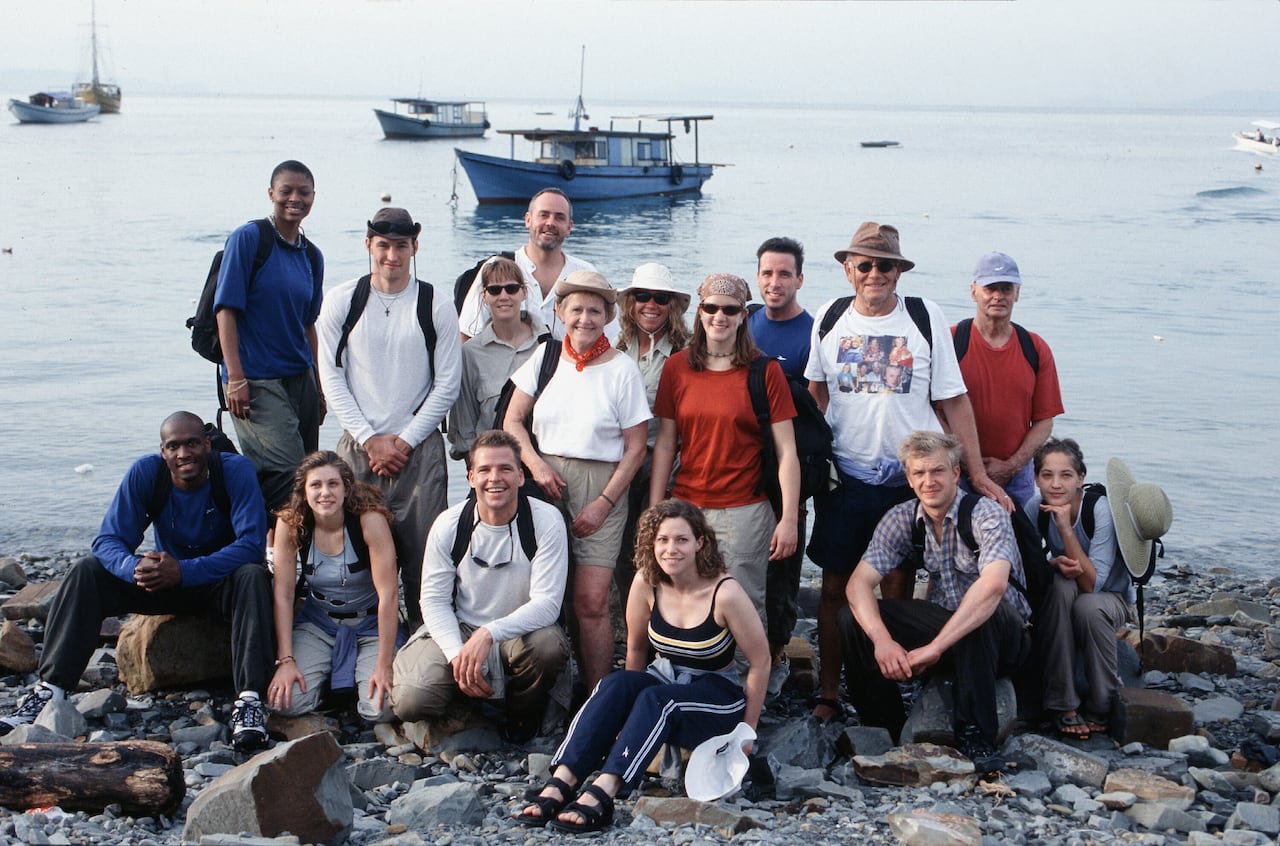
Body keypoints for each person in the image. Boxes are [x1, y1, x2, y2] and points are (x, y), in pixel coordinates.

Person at [803, 221, 1012, 723]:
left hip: (907, 481)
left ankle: (894, 684)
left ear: (900, 271)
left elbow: (953, 399)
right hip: (847, 478)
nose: (876, 273)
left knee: (897, 584)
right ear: (848, 269)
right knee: (835, 587)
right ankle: (830, 694)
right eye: (866, 264)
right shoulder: (831, 317)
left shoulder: (924, 316)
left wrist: (977, 473)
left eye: (886, 265)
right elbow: (816, 393)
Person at [0, 413, 274, 751]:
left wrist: (186, 571)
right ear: (163, 451)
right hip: (164, 584)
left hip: (218, 583)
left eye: (191, 443)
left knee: (252, 575)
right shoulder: (147, 473)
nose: (183, 453)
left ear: (206, 444)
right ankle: (51, 690)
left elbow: (251, 545)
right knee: (87, 571)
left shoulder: (234, 471)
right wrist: (135, 567)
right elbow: (107, 542)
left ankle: (249, 701)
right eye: (173, 446)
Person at [515, 499, 769, 833]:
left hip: (716, 697)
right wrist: (627, 717)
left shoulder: (725, 593)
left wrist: (746, 734)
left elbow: (761, 661)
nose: (671, 549)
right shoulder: (647, 582)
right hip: (665, 683)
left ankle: (604, 791)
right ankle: (562, 779)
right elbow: (636, 651)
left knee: (658, 700)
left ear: (700, 543)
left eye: (681, 540)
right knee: (615, 683)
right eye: (662, 540)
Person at [839, 431, 1031, 774]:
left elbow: (993, 586)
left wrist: (935, 648)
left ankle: (976, 736)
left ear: (956, 473)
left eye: (938, 471)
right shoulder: (900, 518)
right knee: (851, 618)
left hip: (1004, 637)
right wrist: (883, 641)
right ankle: (884, 724)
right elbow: (858, 585)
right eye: (919, 473)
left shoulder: (986, 515)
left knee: (979, 610)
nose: (929, 481)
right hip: (947, 625)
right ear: (909, 479)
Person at [503, 270, 650, 691]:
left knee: (590, 601)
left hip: (601, 482)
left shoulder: (622, 370)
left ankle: (596, 694)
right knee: (542, 590)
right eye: (576, 309)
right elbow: (514, 421)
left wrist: (604, 502)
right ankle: (544, 684)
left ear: (607, 316)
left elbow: (636, 448)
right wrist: (534, 464)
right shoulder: (546, 357)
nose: (585, 318)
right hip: (544, 477)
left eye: (594, 310)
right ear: (560, 311)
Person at [317, 207, 461, 629]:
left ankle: (426, 643)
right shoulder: (344, 300)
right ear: (368, 246)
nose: (392, 256)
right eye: (383, 246)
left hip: (419, 451)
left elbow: (448, 383)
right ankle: (352, 643)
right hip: (359, 450)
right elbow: (330, 374)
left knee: (426, 562)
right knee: (354, 558)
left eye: (401, 246)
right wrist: (368, 437)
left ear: (415, 247)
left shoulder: (435, 303)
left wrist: (404, 440)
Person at [651, 273, 800, 645]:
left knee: (746, 601)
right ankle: (690, 676)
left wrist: (790, 520)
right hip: (686, 504)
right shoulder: (677, 368)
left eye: (730, 309)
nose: (720, 316)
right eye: (711, 307)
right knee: (683, 596)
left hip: (745, 510)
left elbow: (788, 453)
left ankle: (751, 690)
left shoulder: (765, 372)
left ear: (742, 316)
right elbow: (667, 444)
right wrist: (655, 509)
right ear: (699, 312)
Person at [391, 430, 569, 741]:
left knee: (548, 647)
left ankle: (520, 718)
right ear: (471, 477)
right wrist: (456, 655)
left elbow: (548, 604)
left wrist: (489, 633)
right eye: (484, 470)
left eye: (505, 469)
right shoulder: (449, 524)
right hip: (462, 627)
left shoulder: (546, 521)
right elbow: (433, 601)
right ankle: (466, 710)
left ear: (520, 477)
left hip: (520, 633)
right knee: (410, 700)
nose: (494, 478)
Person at [215, 160, 325, 518]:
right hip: (257, 379)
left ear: (313, 197)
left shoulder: (311, 255)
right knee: (289, 477)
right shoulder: (249, 239)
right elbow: (226, 311)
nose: (295, 199)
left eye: (303, 192)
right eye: (286, 191)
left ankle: (307, 558)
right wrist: (235, 378)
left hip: (301, 377)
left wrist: (319, 389)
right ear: (271, 194)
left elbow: (309, 325)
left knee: (312, 473)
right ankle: (271, 553)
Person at [267, 452, 400, 721]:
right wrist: (286, 661)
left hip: (370, 623)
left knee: (379, 710)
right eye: (315, 485)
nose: (324, 493)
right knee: (285, 703)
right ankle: (329, 679)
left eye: (333, 484)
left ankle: (354, 676)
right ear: (304, 491)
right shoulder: (291, 523)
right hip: (319, 623)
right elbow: (283, 594)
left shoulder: (369, 521)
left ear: (346, 489)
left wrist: (385, 664)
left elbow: (389, 595)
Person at [1026, 437, 1134, 739]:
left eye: (1066, 475)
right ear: (1036, 479)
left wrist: (1063, 528)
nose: (1056, 484)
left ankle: (1103, 703)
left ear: (1080, 478)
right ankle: (1063, 703)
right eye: (1047, 475)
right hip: (1069, 590)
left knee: (1087, 606)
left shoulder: (1099, 510)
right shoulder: (1035, 507)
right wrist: (1052, 564)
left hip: (1110, 597)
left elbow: (1091, 583)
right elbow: (1027, 565)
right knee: (1060, 586)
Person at [746, 237, 815, 692]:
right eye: (767, 273)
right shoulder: (745, 322)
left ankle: (775, 648)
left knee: (783, 562)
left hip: (788, 464)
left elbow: (817, 408)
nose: (774, 282)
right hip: (742, 464)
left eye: (784, 274)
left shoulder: (814, 331)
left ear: (799, 279)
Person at [947, 252, 1063, 506]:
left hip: (1016, 477)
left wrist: (1010, 466)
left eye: (1006, 288)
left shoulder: (1034, 347)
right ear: (974, 291)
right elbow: (934, 412)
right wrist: (969, 464)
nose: (998, 296)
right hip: (957, 471)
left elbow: (1044, 421)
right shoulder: (951, 341)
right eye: (990, 288)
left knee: (1019, 542)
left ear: (1017, 293)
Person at [611, 262, 692, 604]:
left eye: (660, 298)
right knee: (619, 542)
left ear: (671, 306)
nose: (651, 304)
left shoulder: (686, 352)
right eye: (642, 296)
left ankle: (662, 615)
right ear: (630, 302)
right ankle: (629, 619)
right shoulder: (614, 348)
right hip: (620, 458)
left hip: (665, 460)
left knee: (659, 539)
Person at [457, 188, 600, 340]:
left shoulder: (586, 274)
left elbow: (610, 335)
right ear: (528, 220)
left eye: (559, 217)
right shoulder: (495, 269)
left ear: (569, 227)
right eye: (543, 215)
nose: (550, 222)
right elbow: (467, 334)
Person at [449, 256, 550, 465]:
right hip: (492, 466)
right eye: (495, 290)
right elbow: (465, 424)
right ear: (484, 296)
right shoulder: (470, 354)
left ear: (524, 292)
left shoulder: (548, 346)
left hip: (545, 465)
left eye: (511, 288)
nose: (503, 296)